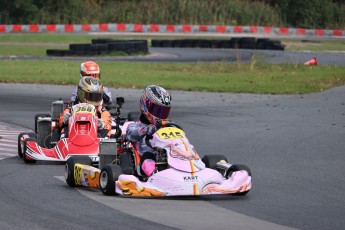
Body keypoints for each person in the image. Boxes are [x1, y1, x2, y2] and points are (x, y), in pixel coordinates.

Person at [126, 85, 172, 177]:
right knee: (148, 160)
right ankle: (155, 176)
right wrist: (147, 130)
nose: (160, 115)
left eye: (163, 111)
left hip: (168, 155)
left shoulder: (166, 127)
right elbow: (131, 134)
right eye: (157, 110)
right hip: (147, 156)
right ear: (146, 105)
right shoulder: (134, 126)